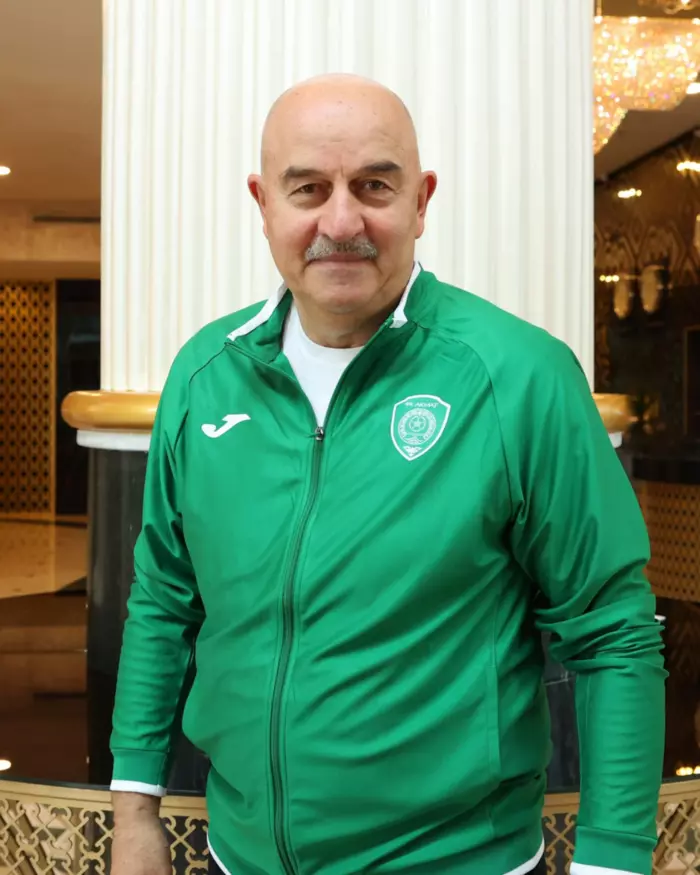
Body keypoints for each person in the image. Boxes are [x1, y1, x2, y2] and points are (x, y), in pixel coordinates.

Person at [109, 74, 665, 875]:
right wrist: (134, 810)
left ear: (421, 200)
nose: (342, 222)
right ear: (263, 203)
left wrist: (613, 861)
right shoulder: (206, 376)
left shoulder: (520, 376)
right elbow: (163, 597)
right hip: (242, 855)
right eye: (308, 188)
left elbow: (613, 630)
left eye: (374, 185)